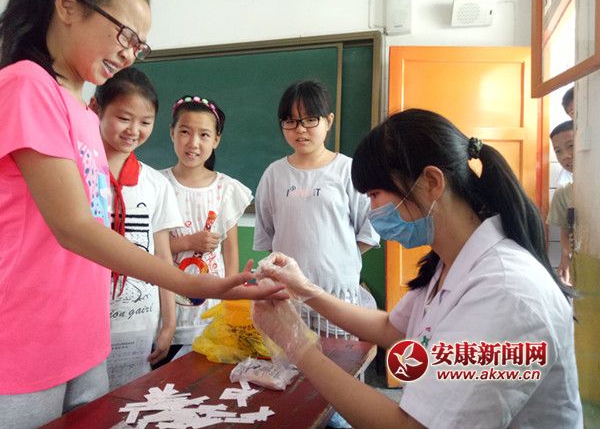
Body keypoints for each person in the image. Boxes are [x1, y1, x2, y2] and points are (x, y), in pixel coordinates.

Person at [0, 0, 284, 427]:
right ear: (68, 6)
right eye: (126, 34)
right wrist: (201, 284)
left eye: (140, 46)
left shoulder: (80, 110)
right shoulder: (27, 85)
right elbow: (75, 227)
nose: (130, 54)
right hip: (26, 338)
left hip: (82, 332)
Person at [253, 109, 582, 429]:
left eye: (375, 195)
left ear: (431, 182)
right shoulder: (450, 263)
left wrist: (297, 344)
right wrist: (305, 289)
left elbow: (412, 425)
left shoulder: (505, 292)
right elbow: (392, 329)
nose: (371, 211)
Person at [253, 80, 380, 337]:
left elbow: (369, 228)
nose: (300, 129)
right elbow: (268, 233)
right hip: (288, 296)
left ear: (328, 121)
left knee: (340, 357)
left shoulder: (347, 170)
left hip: (337, 295)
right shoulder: (274, 174)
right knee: (292, 358)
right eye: (290, 121)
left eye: (310, 119)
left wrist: (340, 257)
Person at [91, 67, 182, 388]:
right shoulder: (75, 176)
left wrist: (169, 323)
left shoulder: (155, 184)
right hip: (84, 324)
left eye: (145, 122)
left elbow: (162, 256)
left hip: (139, 323)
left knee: (131, 402)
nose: (134, 130)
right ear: (96, 109)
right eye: (124, 118)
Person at [158, 95, 253, 364]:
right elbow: (151, 250)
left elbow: (231, 254)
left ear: (216, 140)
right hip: (165, 312)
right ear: (172, 133)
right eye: (185, 132)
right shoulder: (157, 184)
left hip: (211, 313)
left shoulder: (226, 188)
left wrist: (231, 311)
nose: (193, 143)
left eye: (204, 135)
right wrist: (188, 242)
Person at [547, 120, 575, 285]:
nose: (564, 156)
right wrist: (567, 257)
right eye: (558, 151)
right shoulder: (562, 193)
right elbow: (565, 230)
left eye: (571, 146)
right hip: (582, 268)